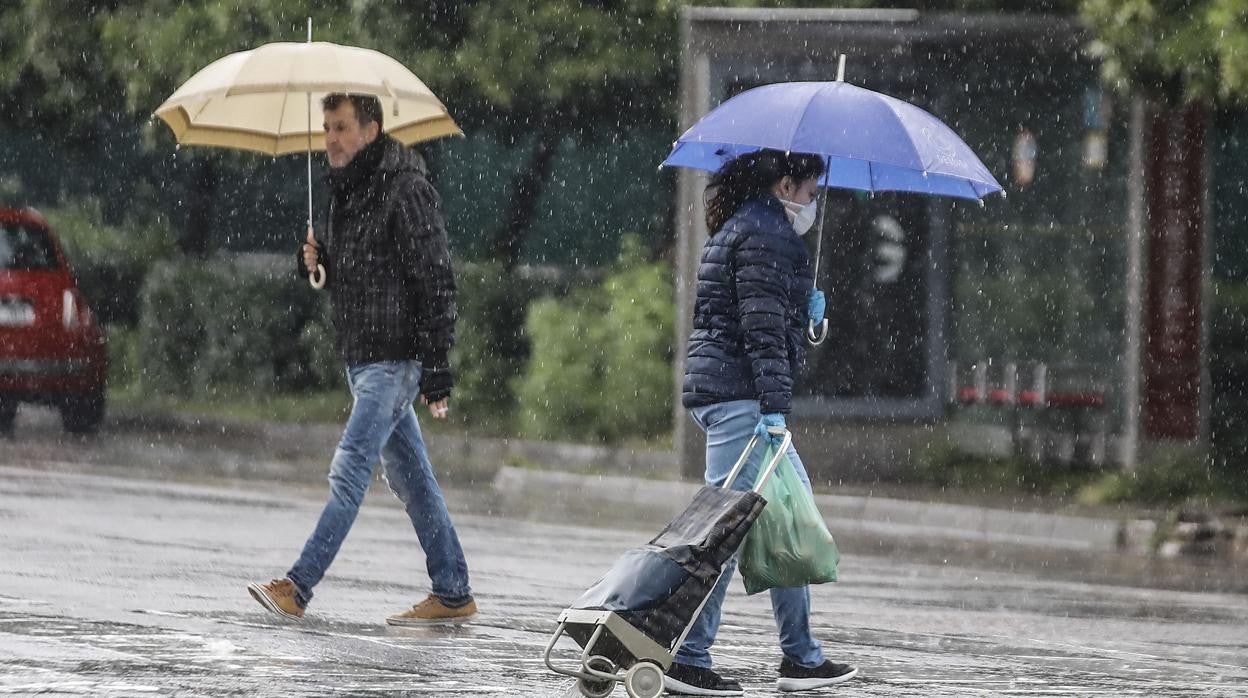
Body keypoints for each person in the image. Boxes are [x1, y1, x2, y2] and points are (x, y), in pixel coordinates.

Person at [247, 93, 475, 626]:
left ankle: (297, 587)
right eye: (326, 127)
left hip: (394, 360)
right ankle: (453, 590)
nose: (331, 138)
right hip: (364, 358)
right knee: (412, 478)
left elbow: (435, 279)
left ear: (370, 130)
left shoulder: (406, 189)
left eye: (342, 127)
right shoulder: (347, 194)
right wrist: (317, 263)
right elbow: (357, 276)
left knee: (349, 470)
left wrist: (436, 368)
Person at [669, 149, 858, 695]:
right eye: (810, 192)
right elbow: (760, 330)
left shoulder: (749, 227)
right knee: (723, 529)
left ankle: (801, 656)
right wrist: (774, 408)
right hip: (742, 400)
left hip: (732, 394)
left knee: (789, 515)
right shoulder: (767, 236)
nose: (813, 202)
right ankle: (690, 657)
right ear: (784, 186)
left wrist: (806, 309)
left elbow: (757, 316)